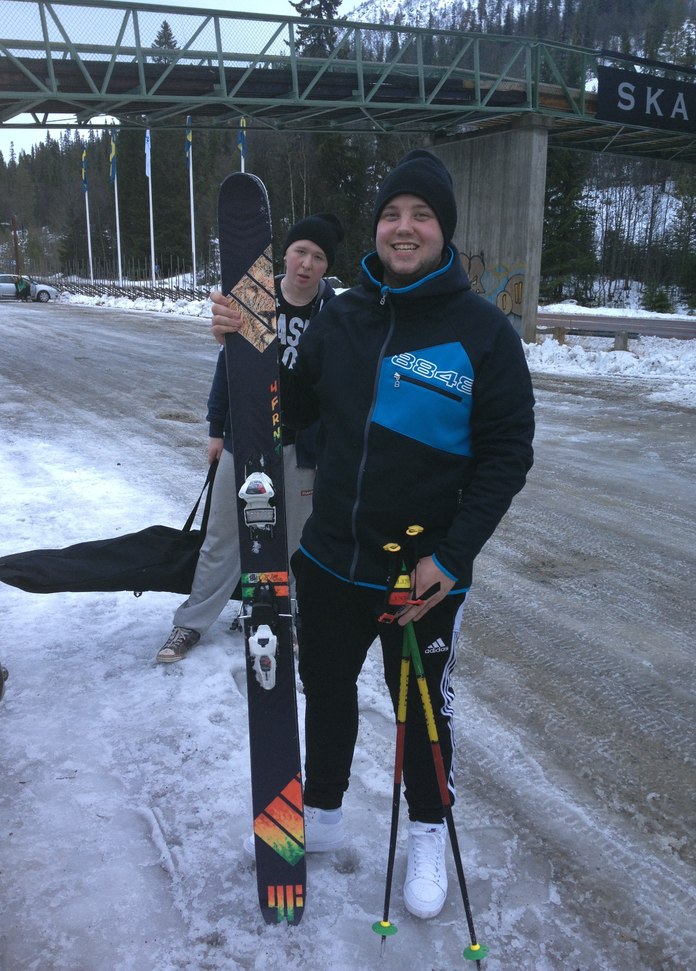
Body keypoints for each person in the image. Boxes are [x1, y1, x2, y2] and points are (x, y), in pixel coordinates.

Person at [212, 150, 535, 920]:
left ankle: (428, 830)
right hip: (328, 558)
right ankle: (321, 809)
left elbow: (507, 453)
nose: (404, 226)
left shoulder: (483, 332)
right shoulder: (346, 315)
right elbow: (284, 403)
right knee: (324, 692)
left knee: (421, 709)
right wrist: (241, 338)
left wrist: (452, 557)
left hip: (417, 575)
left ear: (443, 230)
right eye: (392, 213)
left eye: (420, 215)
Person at [155, 212, 344, 663]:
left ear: (326, 266)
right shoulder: (256, 297)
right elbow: (229, 367)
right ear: (287, 253)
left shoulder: (334, 314)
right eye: (300, 251)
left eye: (318, 257)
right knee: (223, 537)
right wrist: (216, 428)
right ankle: (190, 624)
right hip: (247, 438)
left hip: (303, 445)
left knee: (295, 542)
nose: (306, 263)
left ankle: (284, 615)